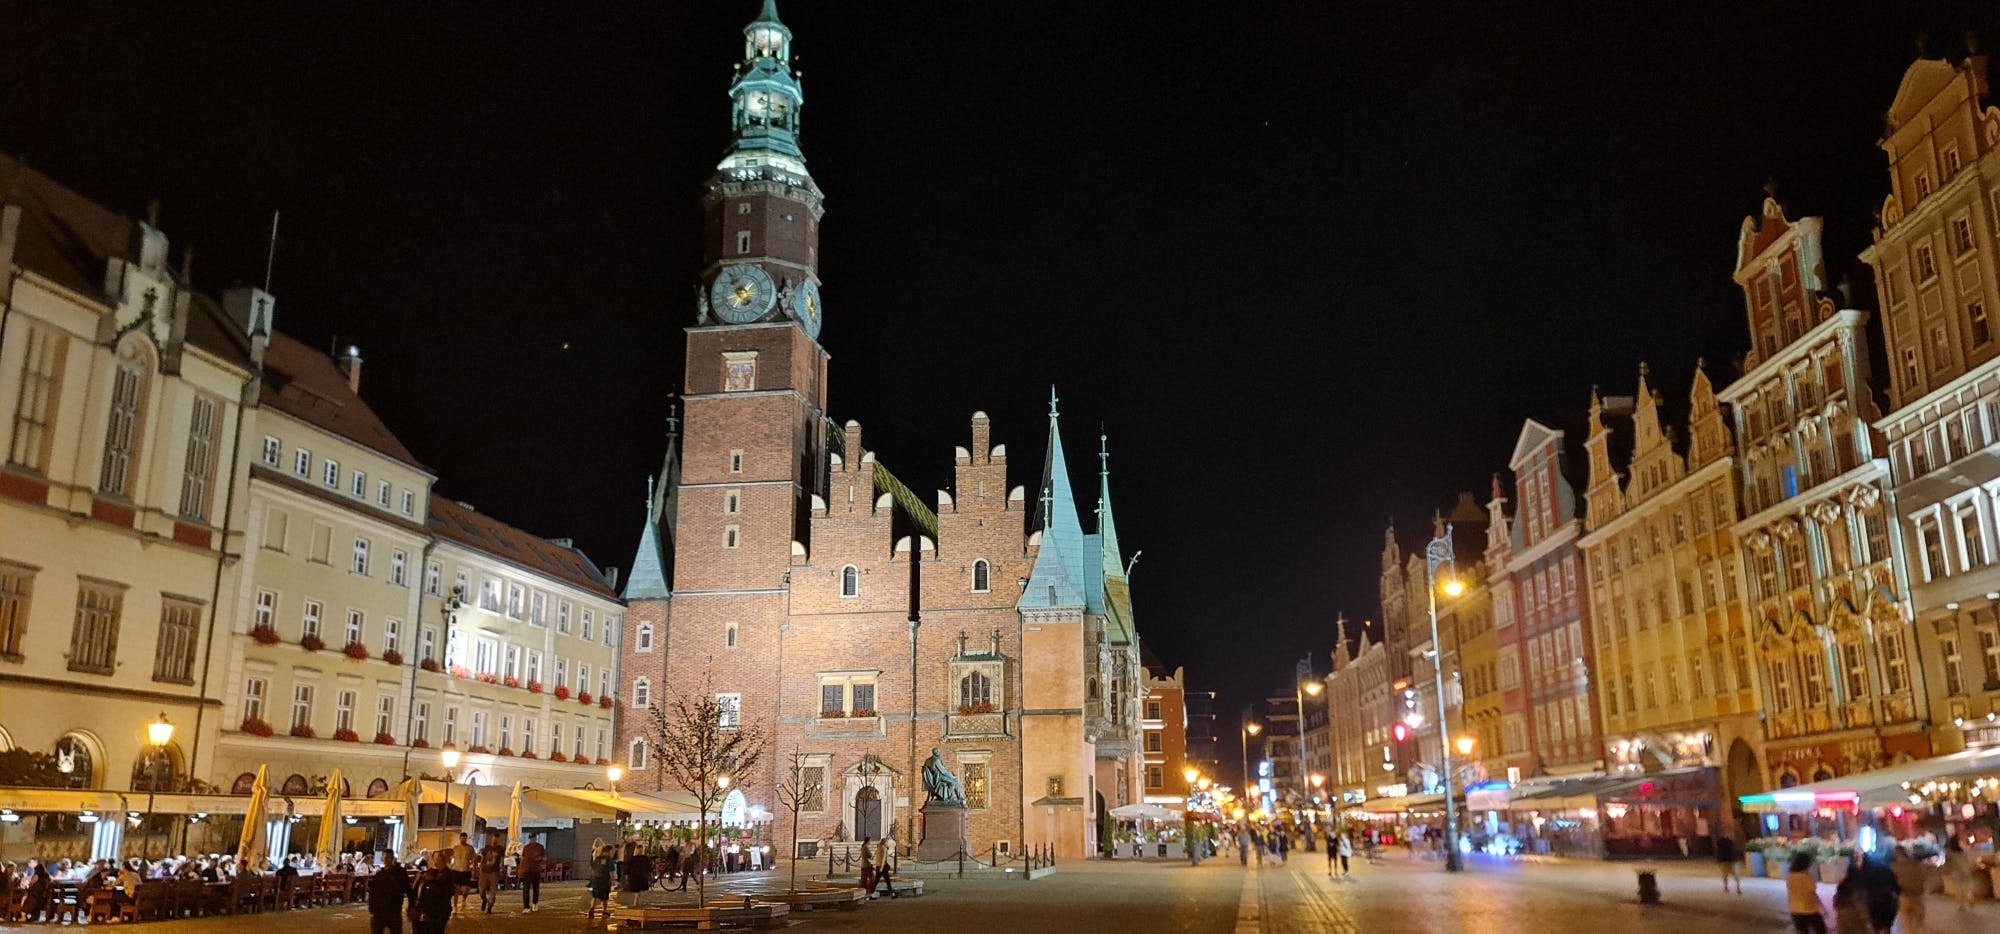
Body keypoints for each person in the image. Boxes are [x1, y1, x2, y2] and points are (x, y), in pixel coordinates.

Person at [367, 851, 412, 934]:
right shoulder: (379, 874)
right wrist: (372, 908)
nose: (387, 860)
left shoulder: (399, 873)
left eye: (389, 858)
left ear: (392, 859)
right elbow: (373, 893)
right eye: (385, 858)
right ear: (382, 859)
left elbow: (408, 890)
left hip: (394, 910)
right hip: (379, 911)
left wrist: (411, 906)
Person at [1858, 849, 1899, 933]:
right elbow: (1894, 883)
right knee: (1887, 925)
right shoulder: (1885, 867)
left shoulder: (1865, 870)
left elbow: (1862, 885)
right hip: (1887, 898)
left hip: (1873, 900)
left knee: (1876, 925)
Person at [1889, 846, 1927, 934]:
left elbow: (1892, 885)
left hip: (1904, 898)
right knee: (1919, 926)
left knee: (1906, 928)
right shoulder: (1917, 866)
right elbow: (1923, 879)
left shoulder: (1894, 867)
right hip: (1918, 898)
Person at [1787, 850, 1826, 933]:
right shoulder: (1805, 877)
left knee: (1803, 931)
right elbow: (1813, 889)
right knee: (1821, 930)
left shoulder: (1790, 876)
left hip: (1794, 909)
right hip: (1808, 909)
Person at [411, 860, 453, 934]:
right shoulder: (422, 880)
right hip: (422, 914)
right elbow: (415, 894)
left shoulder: (441, 881)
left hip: (434, 915)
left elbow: (443, 897)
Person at [1944, 834, 1977, 912]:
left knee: (1958, 884)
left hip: (1955, 865)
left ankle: (1963, 903)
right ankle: (1968, 898)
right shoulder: (1962, 837)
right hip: (1960, 862)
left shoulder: (1951, 840)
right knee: (1965, 882)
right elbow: (1969, 845)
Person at [587, 844, 617, 920]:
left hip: (595, 880)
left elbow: (593, 869)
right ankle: (604, 911)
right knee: (605, 897)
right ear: (608, 851)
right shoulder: (608, 860)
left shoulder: (596, 859)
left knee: (595, 896)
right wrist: (613, 880)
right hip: (604, 880)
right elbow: (611, 871)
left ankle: (591, 909)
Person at [518, 833, 546, 913]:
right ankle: (526, 906)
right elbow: (523, 859)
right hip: (527, 871)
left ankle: (535, 903)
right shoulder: (526, 848)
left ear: (535, 838)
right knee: (525, 889)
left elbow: (544, 857)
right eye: (531, 838)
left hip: (536, 870)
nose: (532, 840)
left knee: (535, 888)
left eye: (533, 838)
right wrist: (521, 869)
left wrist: (539, 860)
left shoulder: (540, 847)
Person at [620, 841, 652, 908]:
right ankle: (637, 901)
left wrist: (626, 874)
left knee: (637, 890)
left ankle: (636, 902)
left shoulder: (633, 859)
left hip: (635, 875)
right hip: (640, 876)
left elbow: (628, 867)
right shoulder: (644, 858)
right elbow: (648, 867)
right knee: (639, 889)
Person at [476, 837, 504, 913]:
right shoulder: (487, 847)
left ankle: (489, 906)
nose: (495, 840)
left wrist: (501, 869)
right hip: (484, 871)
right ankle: (484, 900)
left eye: (497, 839)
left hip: (494, 872)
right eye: (494, 838)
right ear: (492, 839)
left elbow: (501, 860)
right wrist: (480, 868)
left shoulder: (501, 849)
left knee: (493, 890)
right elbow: (483, 858)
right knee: (481, 890)